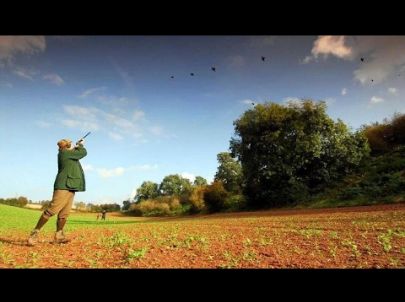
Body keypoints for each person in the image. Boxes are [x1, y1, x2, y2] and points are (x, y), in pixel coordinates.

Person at [27, 138, 87, 245]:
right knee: (51, 211)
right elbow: (83, 153)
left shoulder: (68, 154)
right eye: (70, 144)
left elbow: (76, 153)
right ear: (66, 146)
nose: (72, 145)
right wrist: (80, 145)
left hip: (71, 186)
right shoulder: (64, 154)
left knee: (64, 214)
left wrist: (76, 146)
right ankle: (34, 233)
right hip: (63, 186)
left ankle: (59, 236)